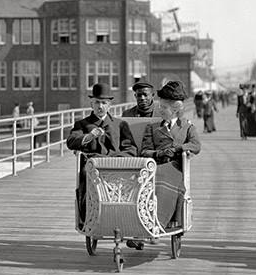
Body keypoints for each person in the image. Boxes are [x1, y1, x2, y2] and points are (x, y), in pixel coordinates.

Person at [66, 83, 137, 231]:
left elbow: (131, 148)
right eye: (97, 102)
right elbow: (71, 142)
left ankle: (126, 216)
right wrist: (89, 136)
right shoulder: (83, 124)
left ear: (110, 105)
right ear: (91, 103)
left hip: (117, 166)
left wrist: (117, 159)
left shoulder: (119, 124)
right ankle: (87, 215)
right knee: (86, 175)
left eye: (104, 103)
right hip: (93, 166)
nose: (100, 106)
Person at [139, 81, 201, 243]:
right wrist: (159, 153)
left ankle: (155, 226)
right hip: (155, 165)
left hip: (175, 168)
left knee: (160, 180)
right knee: (145, 180)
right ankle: (142, 225)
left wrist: (178, 148)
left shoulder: (187, 127)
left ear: (175, 110)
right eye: (160, 107)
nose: (159, 110)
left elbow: (196, 145)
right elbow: (144, 151)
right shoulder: (152, 128)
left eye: (163, 108)